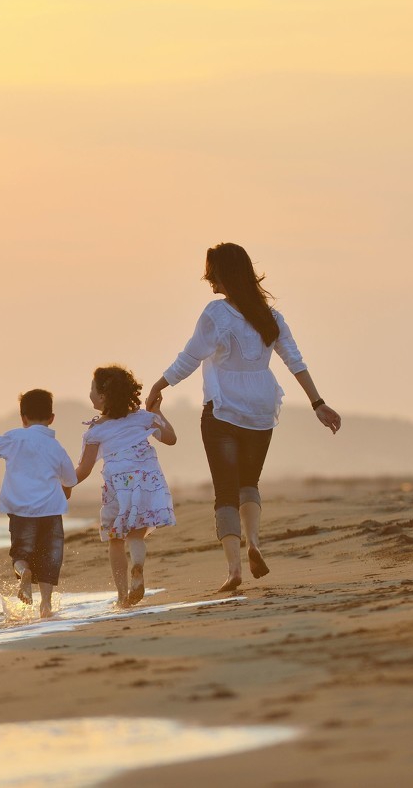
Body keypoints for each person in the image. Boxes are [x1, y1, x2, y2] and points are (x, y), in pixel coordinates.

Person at [146, 242, 341, 592]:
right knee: (249, 483)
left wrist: (159, 385)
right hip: (261, 410)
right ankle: (254, 542)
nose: (210, 282)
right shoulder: (271, 316)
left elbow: (189, 358)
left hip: (223, 410)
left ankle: (235, 569)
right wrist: (318, 403)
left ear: (222, 276)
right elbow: (295, 362)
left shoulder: (216, 314)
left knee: (225, 491)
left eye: (212, 275)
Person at [74, 365, 177, 607]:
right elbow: (171, 439)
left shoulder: (96, 430)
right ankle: (138, 568)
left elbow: (84, 469)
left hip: (119, 485)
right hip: (147, 480)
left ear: (102, 397)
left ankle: (122, 596)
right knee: (136, 534)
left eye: (92, 389)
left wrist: (63, 486)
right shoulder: (143, 418)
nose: (89, 393)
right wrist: (158, 412)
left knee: (115, 538)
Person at [0, 389, 78, 619]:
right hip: (51, 511)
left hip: (21, 511)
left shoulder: (14, 438)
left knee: (20, 554)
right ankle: (46, 605)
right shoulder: (56, 447)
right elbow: (70, 479)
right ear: (51, 418)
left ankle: (24, 573)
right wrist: (66, 493)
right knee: (50, 558)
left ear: (23, 418)